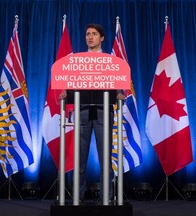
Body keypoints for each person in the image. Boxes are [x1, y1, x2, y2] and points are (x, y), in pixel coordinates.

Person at [60, 23, 125, 202]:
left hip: (104, 111)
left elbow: (120, 85)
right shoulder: (77, 61)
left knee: (106, 161)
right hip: (82, 112)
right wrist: (66, 92)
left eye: (94, 34)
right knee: (79, 161)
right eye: (87, 34)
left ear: (101, 38)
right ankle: (77, 198)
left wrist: (120, 93)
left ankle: (107, 198)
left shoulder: (111, 61)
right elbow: (70, 84)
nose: (90, 37)